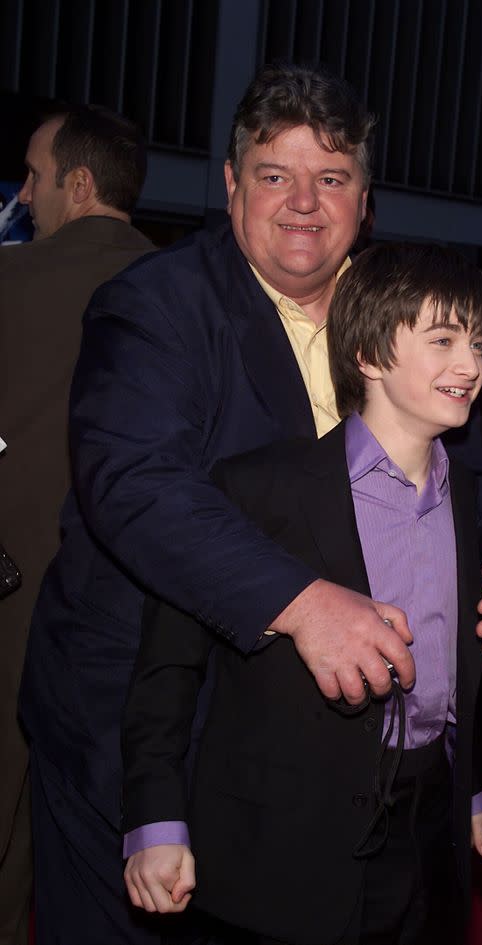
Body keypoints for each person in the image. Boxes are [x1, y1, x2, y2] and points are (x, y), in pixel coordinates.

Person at [19, 64, 482, 944]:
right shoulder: (155, 306)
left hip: (313, 758)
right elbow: (134, 486)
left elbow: (477, 464)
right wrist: (299, 602)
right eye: (274, 175)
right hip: (142, 722)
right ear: (230, 186)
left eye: (331, 178)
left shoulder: (392, 310)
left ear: (363, 201)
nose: (304, 202)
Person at [122, 242, 482, 945]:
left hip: (427, 836)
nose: (472, 365)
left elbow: (458, 674)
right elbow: (168, 671)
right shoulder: (257, 488)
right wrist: (156, 819)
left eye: (478, 342)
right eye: (444, 339)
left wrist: (466, 788)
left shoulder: (473, 501)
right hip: (279, 846)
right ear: (370, 354)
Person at [0, 104, 152, 945]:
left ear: (80, 184)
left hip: (13, 585)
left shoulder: (10, 283)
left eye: (34, 175)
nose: (24, 195)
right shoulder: (190, 290)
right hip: (135, 609)